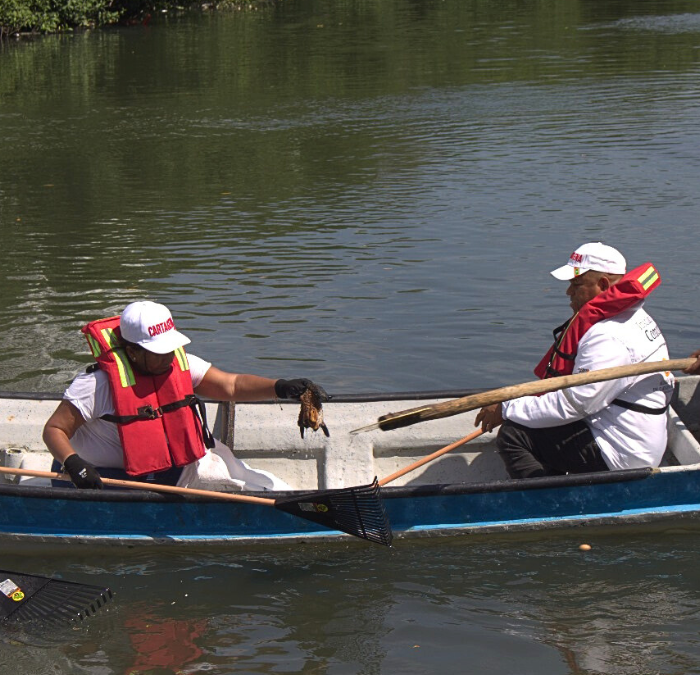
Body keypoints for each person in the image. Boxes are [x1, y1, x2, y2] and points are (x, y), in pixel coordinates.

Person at [43, 301, 327, 490]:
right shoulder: (96, 384)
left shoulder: (178, 363)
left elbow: (231, 385)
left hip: (170, 469)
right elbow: (54, 429)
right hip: (102, 478)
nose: (168, 357)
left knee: (235, 470)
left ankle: (281, 499)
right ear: (132, 352)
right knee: (218, 481)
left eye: (170, 347)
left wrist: (280, 387)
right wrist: (74, 464)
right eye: (158, 352)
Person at [475, 242, 675, 478]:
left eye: (576, 284)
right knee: (536, 423)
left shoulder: (608, 336)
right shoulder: (635, 316)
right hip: (633, 437)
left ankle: (548, 504)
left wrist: (506, 409)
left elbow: (576, 404)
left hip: (622, 453)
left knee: (513, 435)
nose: (568, 292)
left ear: (602, 285)